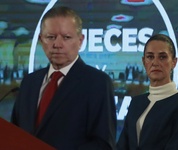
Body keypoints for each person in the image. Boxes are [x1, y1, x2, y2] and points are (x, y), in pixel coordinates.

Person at [11, 6, 116, 150]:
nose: (57, 44)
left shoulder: (97, 82)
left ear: (80, 41)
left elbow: (103, 144)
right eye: (50, 37)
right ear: (41, 40)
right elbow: (14, 135)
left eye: (66, 37)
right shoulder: (30, 82)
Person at [117, 34, 178, 150]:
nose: (155, 62)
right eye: (150, 57)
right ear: (144, 62)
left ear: (174, 62)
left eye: (162, 57)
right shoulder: (136, 102)